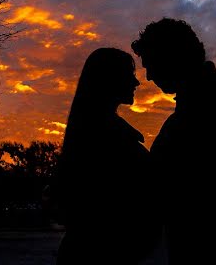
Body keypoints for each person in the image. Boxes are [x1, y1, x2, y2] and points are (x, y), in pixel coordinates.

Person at [132, 18, 216, 265]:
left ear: (172, 56)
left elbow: (195, 177)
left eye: (151, 64)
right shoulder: (205, 95)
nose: (149, 77)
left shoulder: (210, 98)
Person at [56, 47, 160, 265]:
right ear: (109, 79)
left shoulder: (96, 129)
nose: (137, 83)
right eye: (129, 75)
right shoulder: (103, 134)